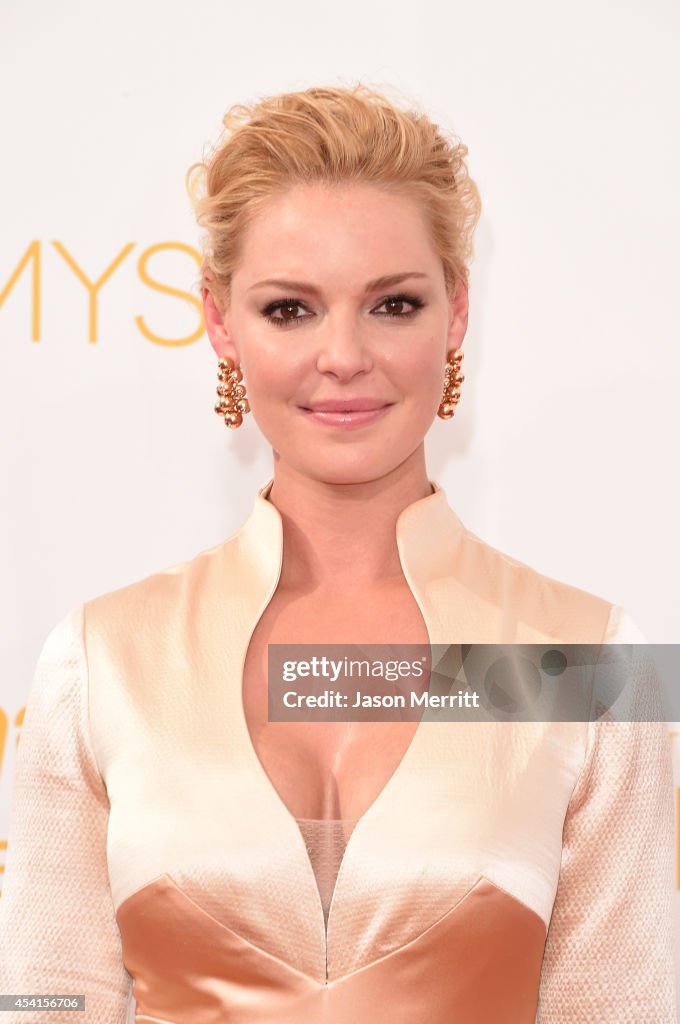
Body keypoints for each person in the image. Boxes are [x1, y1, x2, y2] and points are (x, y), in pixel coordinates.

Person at [0, 82, 675, 1024]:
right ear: (220, 323)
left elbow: (624, 1008)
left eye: (393, 304)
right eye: (290, 310)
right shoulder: (102, 660)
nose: (345, 355)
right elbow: (43, 1002)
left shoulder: (585, 663)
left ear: (458, 312)